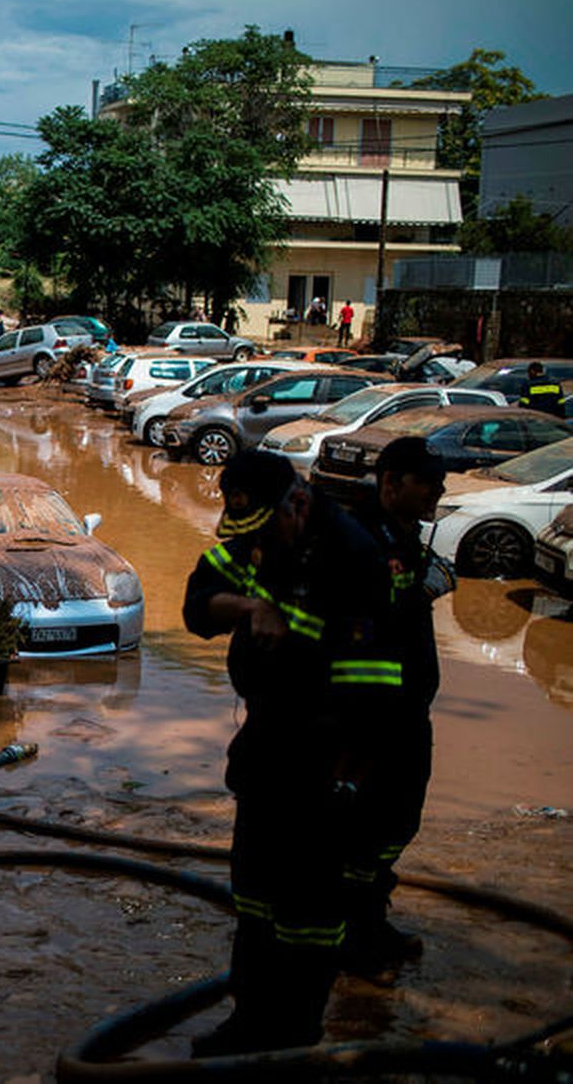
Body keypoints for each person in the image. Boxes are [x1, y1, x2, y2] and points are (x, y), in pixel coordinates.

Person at [183, 452, 405, 1057]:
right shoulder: (262, 535)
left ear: (299, 505)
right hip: (267, 743)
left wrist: (346, 789)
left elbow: (375, 702)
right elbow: (197, 602)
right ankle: (249, 1021)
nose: (253, 545)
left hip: (325, 756)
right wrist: (253, 607)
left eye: (261, 531)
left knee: (307, 914)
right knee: (254, 893)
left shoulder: (353, 558)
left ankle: (295, 1038)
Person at [340, 437, 452, 980]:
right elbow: (364, 617)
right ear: (390, 484)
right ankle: (354, 943)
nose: (438, 491)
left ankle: (372, 920)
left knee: (399, 821)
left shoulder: (404, 535)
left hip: (409, 710)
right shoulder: (361, 538)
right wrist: (420, 592)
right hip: (370, 719)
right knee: (364, 829)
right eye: (427, 482)